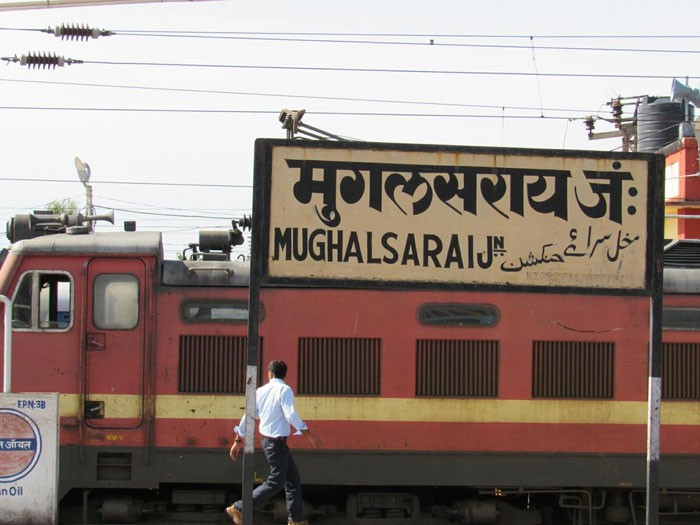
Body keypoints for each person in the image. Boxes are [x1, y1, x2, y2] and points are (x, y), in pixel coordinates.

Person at [226, 360, 321, 525]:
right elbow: (290, 413)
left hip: (273, 443)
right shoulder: (285, 390)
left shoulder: (260, 391)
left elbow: (248, 415)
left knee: (292, 480)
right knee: (276, 482)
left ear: (269, 373)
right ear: (285, 374)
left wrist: (237, 441)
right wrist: (309, 434)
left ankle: (296, 520)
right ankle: (238, 507)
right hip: (275, 444)